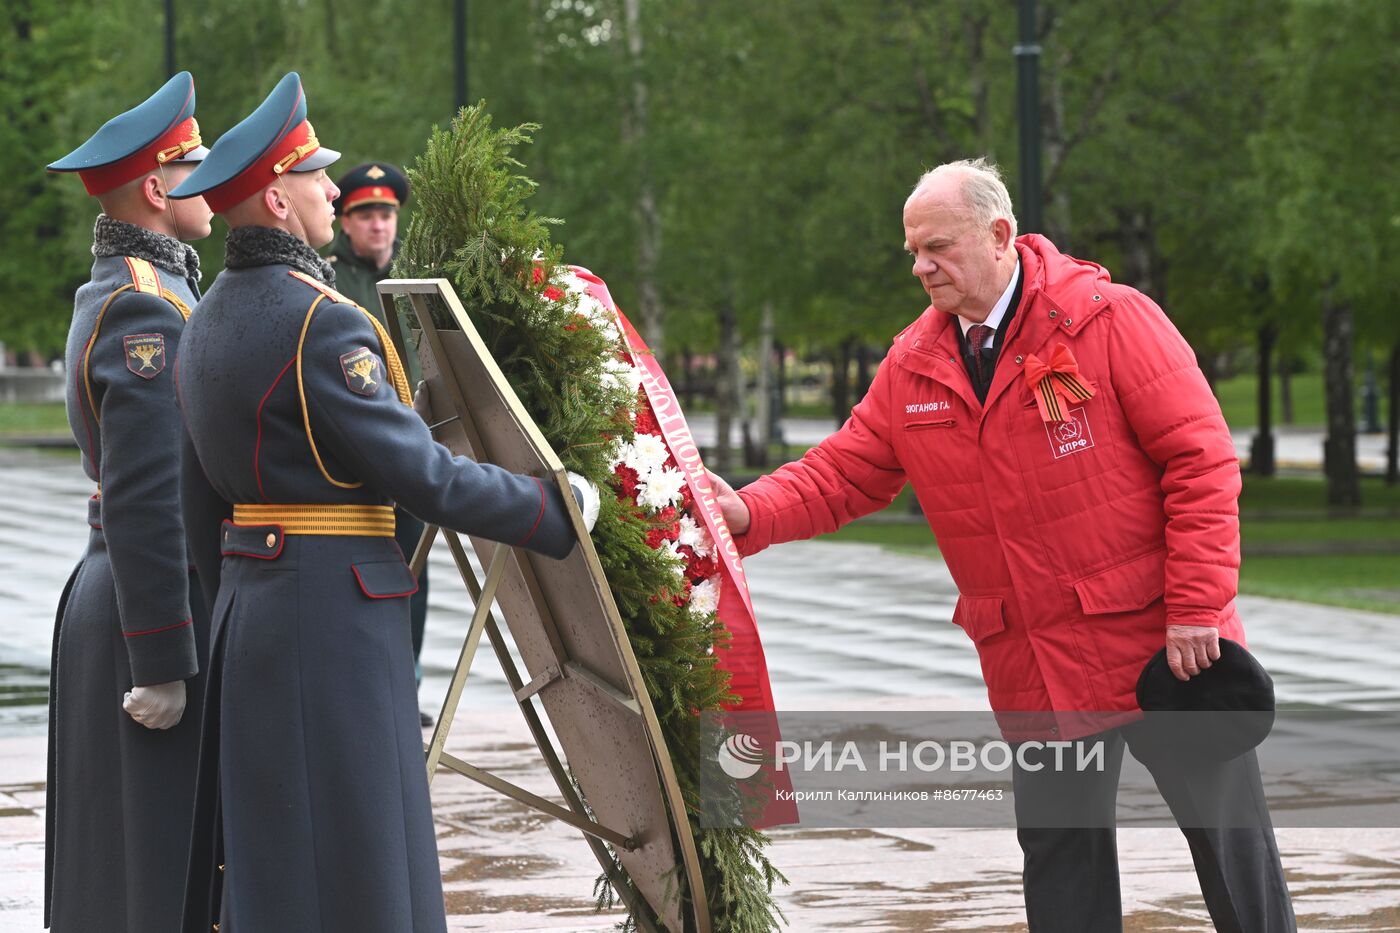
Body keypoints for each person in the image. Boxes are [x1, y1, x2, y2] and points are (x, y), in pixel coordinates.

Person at [710, 158, 1296, 932]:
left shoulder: (1111, 320)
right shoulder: (912, 363)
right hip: (1033, 661)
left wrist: (1197, 607)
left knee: (1231, 850)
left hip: (1163, 646)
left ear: (999, 235)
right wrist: (745, 512)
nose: (922, 266)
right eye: (914, 251)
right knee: (1060, 860)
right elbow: (845, 471)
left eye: (939, 247)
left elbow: (1202, 461)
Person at [168, 72, 591, 932]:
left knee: (281, 857)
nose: (331, 187)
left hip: (250, 610)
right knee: (360, 852)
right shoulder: (322, 321)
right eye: (313, 176)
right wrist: (554, 507)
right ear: (277, 203)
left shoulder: (204, 313)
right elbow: (423, 476)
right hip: (332, 612)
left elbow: (194, 501)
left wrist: (225, 611)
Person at [43, 71, 213, 932]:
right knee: (145, 873)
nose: (213, 181)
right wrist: (160, 659)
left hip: (123, 597)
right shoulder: (147, 307)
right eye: (197, 164)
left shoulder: (137, 286)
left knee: (125, 863)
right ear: (158, 187)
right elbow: (149, 496)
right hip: (142, 608)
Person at [326, 161, 434, 725]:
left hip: (414, 449)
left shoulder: (417, 278)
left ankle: (405, 685)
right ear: (345, 221)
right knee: (361, 569)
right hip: (357, 456)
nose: (378, 225)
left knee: (414, 572)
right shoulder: (330, 279)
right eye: (365, 214)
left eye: (386, 214)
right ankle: (366, 684)